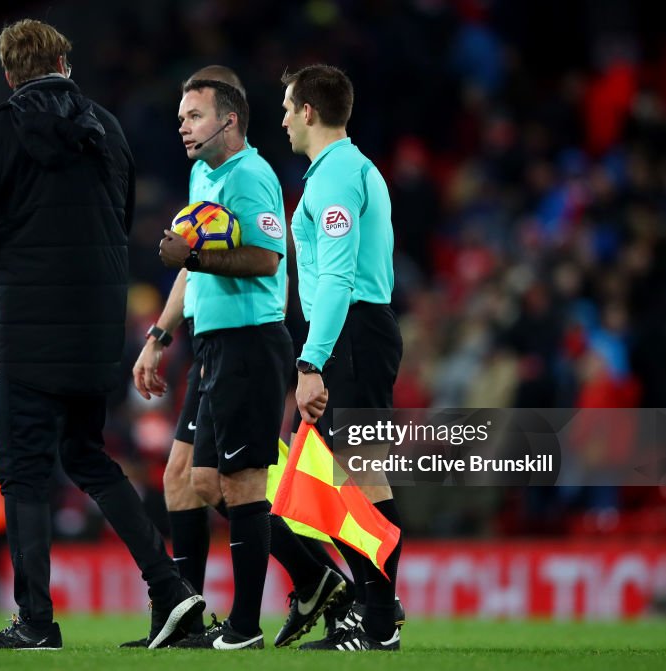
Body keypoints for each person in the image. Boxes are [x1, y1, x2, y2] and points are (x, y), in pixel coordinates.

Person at [0, 19, 203, 650]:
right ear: (63, 62)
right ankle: (171, 590)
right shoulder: (105, 126)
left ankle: (36, 622)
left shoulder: (7, 124)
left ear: (11, 73)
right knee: (85, 454)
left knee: (21, 469)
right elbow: (116, 216)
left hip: (29, 325)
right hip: (99, 321)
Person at [157, 76, 345, 649]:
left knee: (238, 486)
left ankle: (243, 629)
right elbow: (197, 264)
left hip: (249, 343)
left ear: (229, 120)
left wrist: (192, 254)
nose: (183, 126)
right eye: (182, 115)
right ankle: (311, 576)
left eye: (193, 115)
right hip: (212, 343)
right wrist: (160, 334)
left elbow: (265, 259)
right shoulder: (202, 175)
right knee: (201, 480)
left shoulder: (252, 176)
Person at [280, 64, 405, 651]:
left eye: (286, 107)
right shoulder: (353, 169)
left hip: (350, 330)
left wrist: (311, 362)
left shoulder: (333, 179)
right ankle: (377, 605)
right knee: (348, 473)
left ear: (309, 111)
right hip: (360, 329)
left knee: (360, 473)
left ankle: (378, 619)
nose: (281, 119)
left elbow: (335, 278)